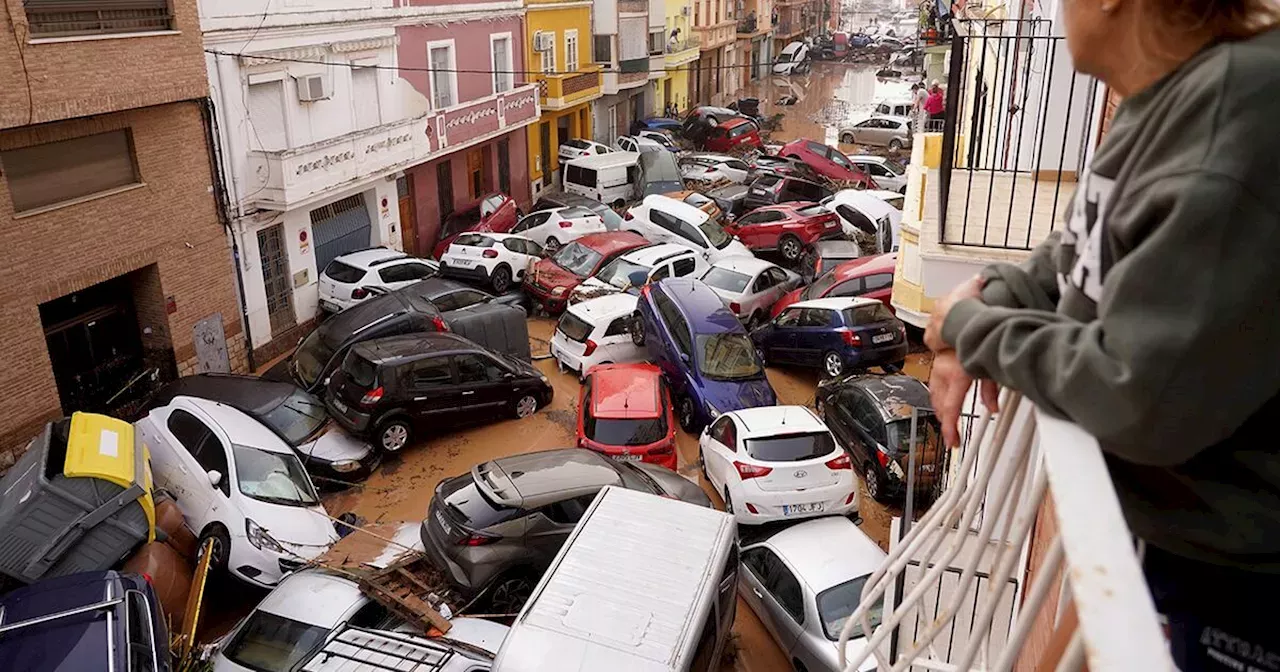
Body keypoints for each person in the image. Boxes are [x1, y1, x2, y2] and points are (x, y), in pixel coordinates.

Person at [922, 0, 1280, 667]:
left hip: (1241, 586)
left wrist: (972, 327)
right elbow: (1077, 253)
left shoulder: (1236, 114)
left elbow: (1138, 394)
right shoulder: (1168, 97)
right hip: (1178, 542)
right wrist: (978, 314)